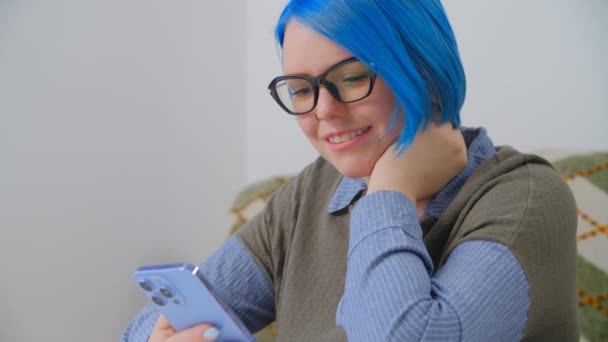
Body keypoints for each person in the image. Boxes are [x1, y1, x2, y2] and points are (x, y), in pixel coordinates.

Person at [123, 0, 578, 341]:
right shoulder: (311, 192)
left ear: (424, 70)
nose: (324, 110)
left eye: (352, 77)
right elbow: (152, 322)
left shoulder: (528, 197)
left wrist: (389, 191)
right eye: (301, 88)